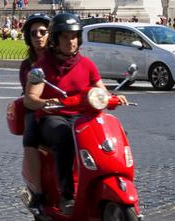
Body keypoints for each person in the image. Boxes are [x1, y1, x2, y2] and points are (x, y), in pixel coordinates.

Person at [24, 13, 128, 215]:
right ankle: (67, 195)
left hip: (83, 116)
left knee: (113, 134)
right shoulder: (42, 67)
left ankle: (107, 178)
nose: (70, 41)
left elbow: (101, 89)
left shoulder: (87, 64)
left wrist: (114, 97)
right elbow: (30, 98)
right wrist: (47, 102)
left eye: (73, 36)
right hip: (53, 117)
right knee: (64, 136)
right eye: (64, 36)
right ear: (55, 40)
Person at [18, 13, 51, 212]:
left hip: (66, 106)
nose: (38, 36)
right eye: (33, 33)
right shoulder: (27, 66)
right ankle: (38, 191)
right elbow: (29, 96)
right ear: (28, 38)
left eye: (43, 32)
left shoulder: (60, 57)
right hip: (37, 108)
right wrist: (43, 102)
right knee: (30, 135)